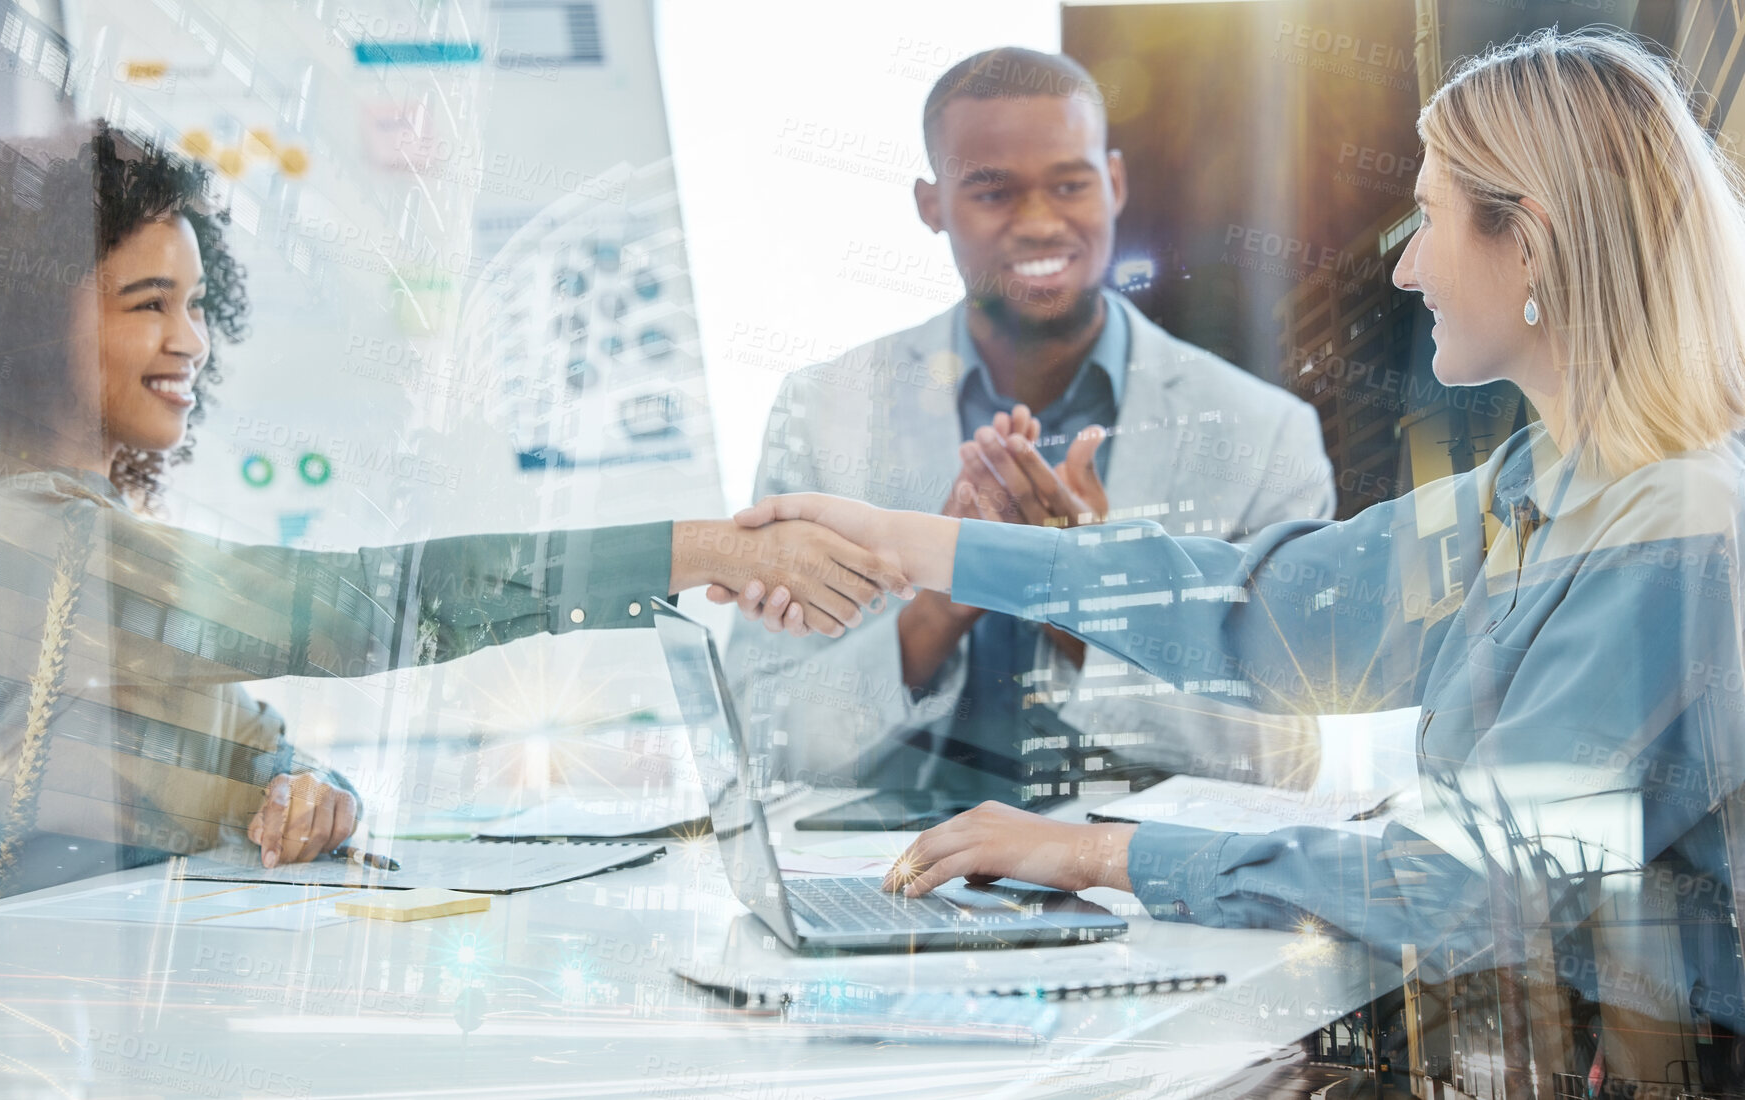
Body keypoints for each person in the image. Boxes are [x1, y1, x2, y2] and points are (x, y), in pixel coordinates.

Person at [741, 30, 1745, 1085]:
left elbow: (1474, 882)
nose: (1404, 266)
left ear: (1529, 243)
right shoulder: (1545, 480)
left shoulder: (1676, 526)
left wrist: (1098, 853)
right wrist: (909, 540)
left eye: (1429, 219)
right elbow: (1264, 606)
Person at [0, 124, 905, 911]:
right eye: (148, 302)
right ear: (17, 320)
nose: (190, 338)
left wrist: (317, 795)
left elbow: (258, 745)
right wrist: (700, 548)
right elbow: (360, 604)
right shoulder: (19, 536)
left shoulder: (82, 536)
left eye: (195, 302)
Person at [714, 48, 1334, 805]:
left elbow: (1286, 751)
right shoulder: (823, 411)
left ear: (1114, 183)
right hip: (883, 878)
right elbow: (758, 730)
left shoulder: (1265, 436)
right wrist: (944, 591)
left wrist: (1089, 601)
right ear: (930, 204)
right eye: (993, 191)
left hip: (1136, 896)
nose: (1040, 224)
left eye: (1069, 185)